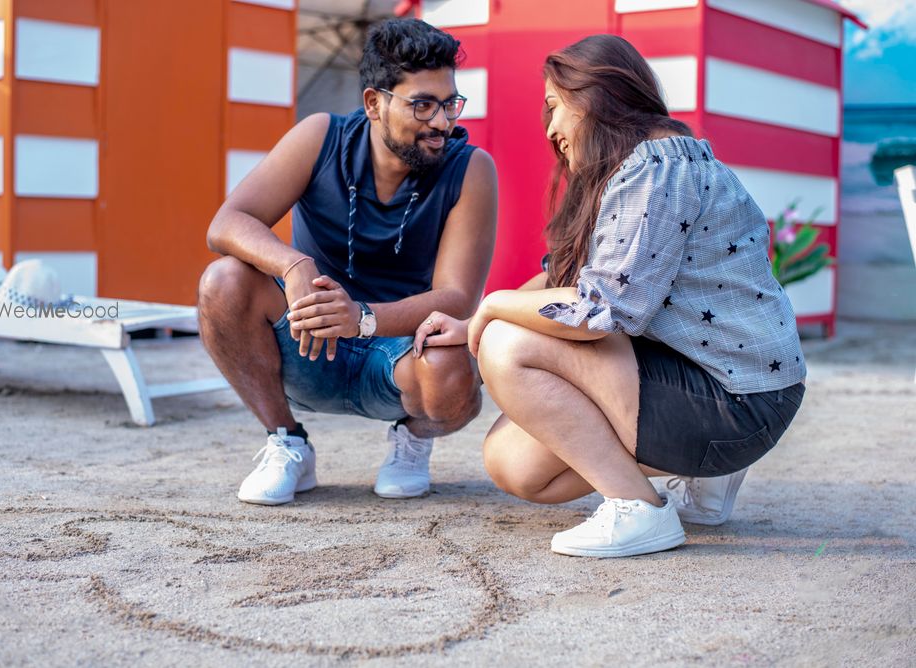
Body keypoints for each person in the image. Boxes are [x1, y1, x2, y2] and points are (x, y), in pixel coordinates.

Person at [414, 35, 805, 557]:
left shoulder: (657, 171)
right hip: (722, 387)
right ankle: (699, 479)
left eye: (555, 108)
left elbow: (600, 311)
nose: (551, 130)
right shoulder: (642, 167)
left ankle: (638, 508)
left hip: (734, 401)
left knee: (508, 345)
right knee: (516, 465)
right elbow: (563, 278)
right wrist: (471, 327)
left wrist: (491, 308)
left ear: (596, 97)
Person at [198, 18, 498, 505]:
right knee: (223, 282)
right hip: (311, 342)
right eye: (422, 104)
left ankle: (413, 440)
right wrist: (294, 266)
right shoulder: (321, 137)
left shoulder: (471, 168)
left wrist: (360, 319)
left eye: (449, 103)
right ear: (374, 103)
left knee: (450, 367)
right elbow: (228, 223)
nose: (442, 122)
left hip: (399, 354)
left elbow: (457, 297)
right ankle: (286, 440)